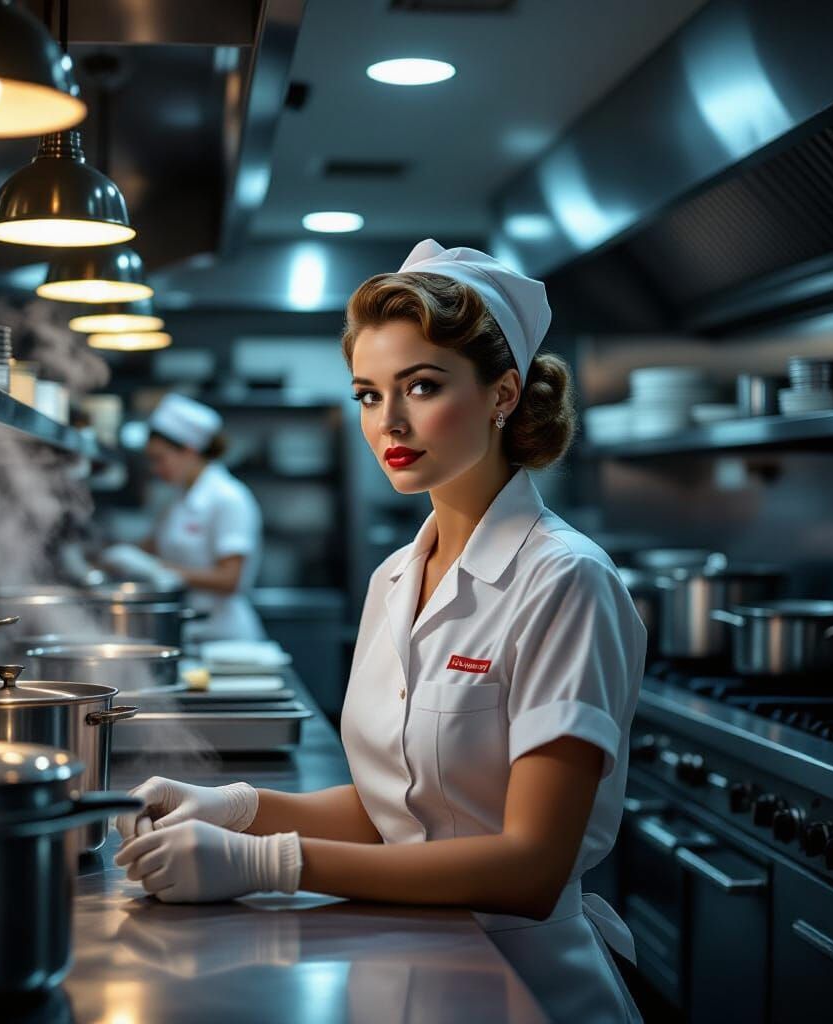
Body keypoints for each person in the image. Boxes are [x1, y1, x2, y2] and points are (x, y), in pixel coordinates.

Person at [115, 240, 646, 1023]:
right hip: (403, 960)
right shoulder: (395, 576)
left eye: (422, 386)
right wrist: (237, 807)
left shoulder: (564, 579)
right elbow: (399, 811)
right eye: (368, 394)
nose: (388, 421)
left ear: (503, 394)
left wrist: (273, 863)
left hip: (524, 983)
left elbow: (532, 867)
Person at [138, 392, 266, 642]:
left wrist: (158, 570)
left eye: (160, 459)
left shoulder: (227, 497)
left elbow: (231, 579)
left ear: (189, 451)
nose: (155, 469)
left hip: (226, 637)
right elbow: (151, 546)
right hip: (192, 629)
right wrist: (109, 556)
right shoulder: (179, 500)